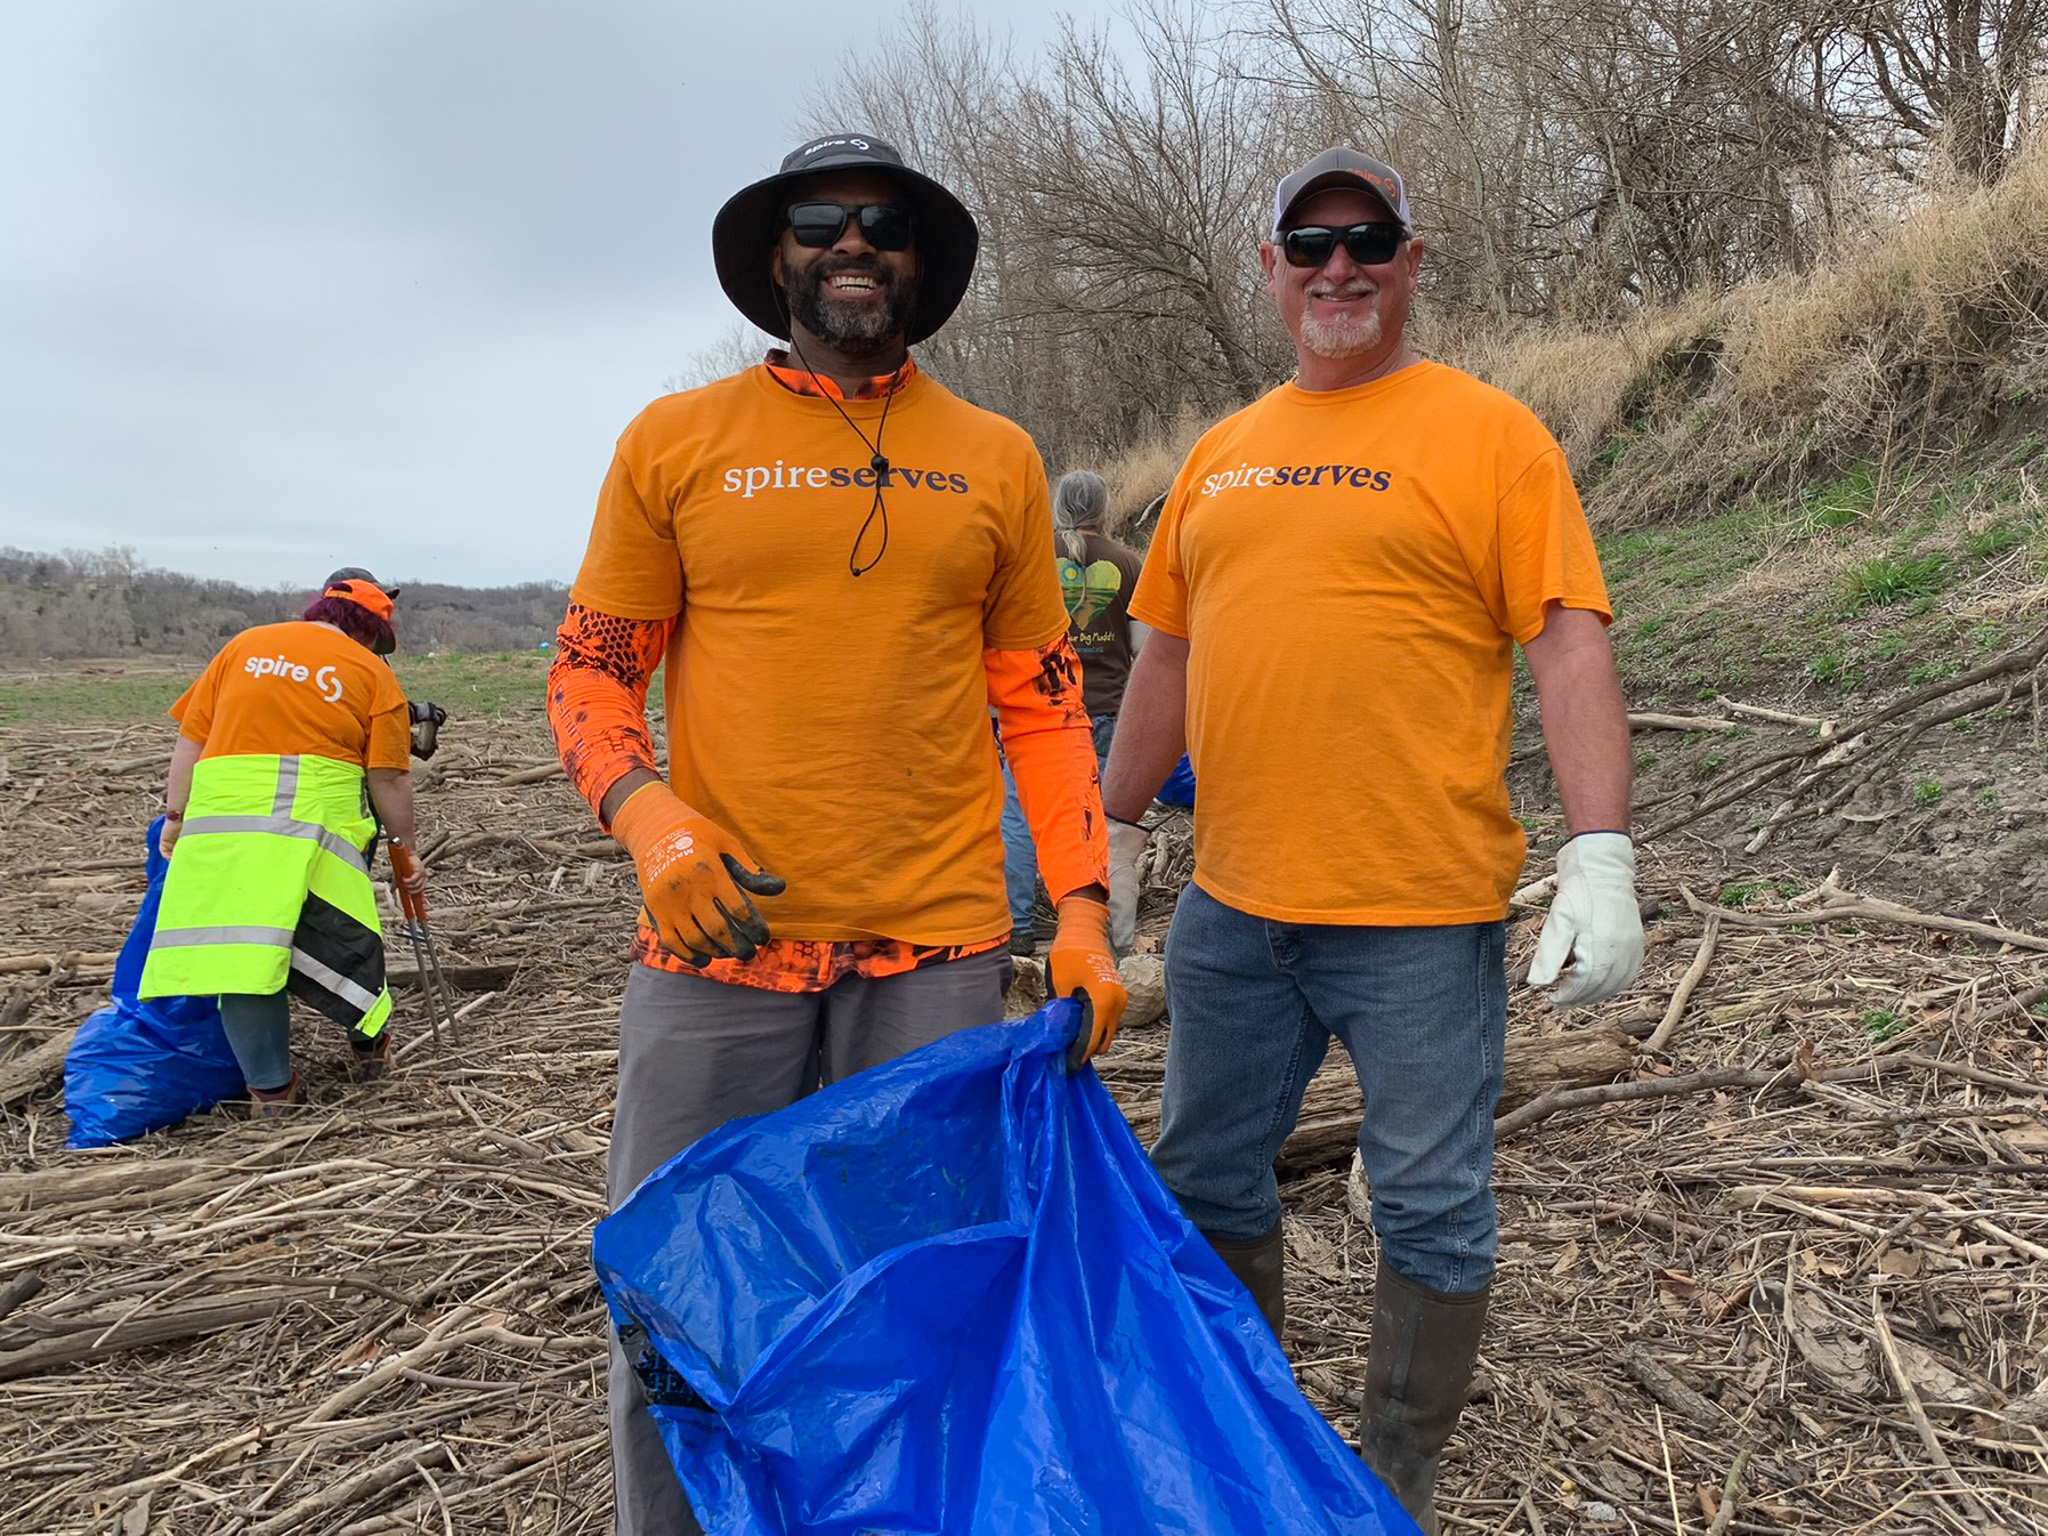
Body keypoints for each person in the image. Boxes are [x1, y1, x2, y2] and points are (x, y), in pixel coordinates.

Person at [546, 132, 1128, 1536]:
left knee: (918, 1297)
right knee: (675, 1294)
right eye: (821, 220)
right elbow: (589, 673)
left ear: (924, 267)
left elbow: (1046, 710)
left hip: (932, 955)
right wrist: (653, 824)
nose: (852, 244)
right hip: (715, 948)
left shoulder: (994, 459)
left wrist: (1089, 909)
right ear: (775, 256)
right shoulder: (674, 443)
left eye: (884, 225)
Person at [1100, 147, 1644, 1533]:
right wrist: (1108, 834)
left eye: (1368, 241)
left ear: (1409, 263)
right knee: (1207, 1173)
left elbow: (1570, 639)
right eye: (1310, 242)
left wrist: (1604, 851)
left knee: (1431, 1205)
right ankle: (1252, 1444)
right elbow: (1159, 660)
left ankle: (1394, 1476)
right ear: (1272, 269)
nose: (1338, 266)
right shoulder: (1218, 458)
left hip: (1416, 915)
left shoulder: (1491, 436)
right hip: (1233, 912)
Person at [138, 571, 428, 1112]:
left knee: (240, 953)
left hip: (222, 823)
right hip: (315, 824)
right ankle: (371, 1051)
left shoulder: (243, 646)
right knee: (345, 935)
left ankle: (271, 1095)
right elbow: (389, 777)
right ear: (370, 631)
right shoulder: (371, 672)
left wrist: (175, 817)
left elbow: (189, 743)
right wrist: (404, 850)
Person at [999, 469, 1148, 953]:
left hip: (1037, 712)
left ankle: (1018, 928)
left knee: (1019, 819)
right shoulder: (1127, 563)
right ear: (1104, 510)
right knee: (1101, 821)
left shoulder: (1033, 559)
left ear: (1058, 507)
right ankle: (1104, 937)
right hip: (1106, 712)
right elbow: (1142, 649)